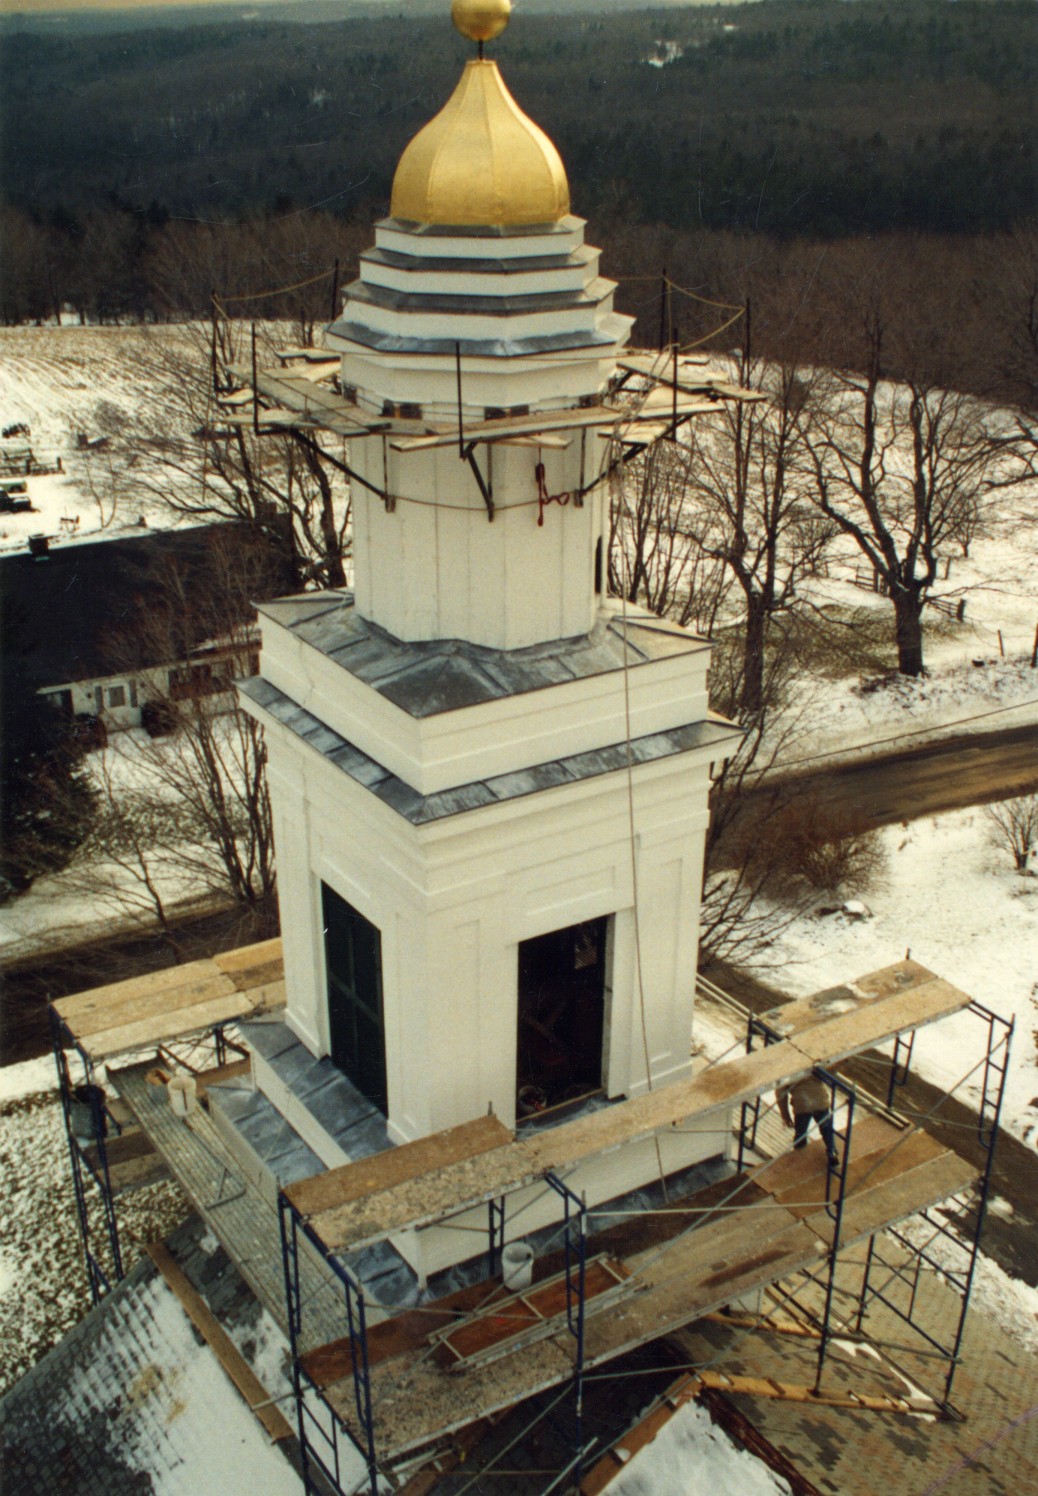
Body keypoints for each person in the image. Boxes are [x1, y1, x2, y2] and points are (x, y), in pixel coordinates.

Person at [777, 1075, 839, 1166]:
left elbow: (781, 1095)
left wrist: (786, 1116)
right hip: (820, 1101)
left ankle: (800, 1155)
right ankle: (832, 1151)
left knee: (801, 1133)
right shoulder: (810, 1063)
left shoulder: (785, 1072)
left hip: (802, 1104)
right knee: (826, 1130)